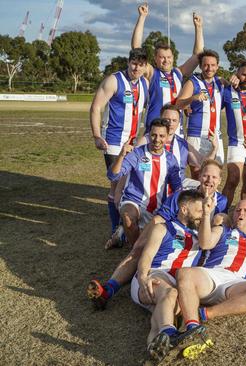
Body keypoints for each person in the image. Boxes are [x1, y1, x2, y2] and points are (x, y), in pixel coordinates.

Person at [87, 160, 227, 310]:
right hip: (171, 232)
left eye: (214, 177)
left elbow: (216, 229)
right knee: (139, 249)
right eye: (206, 175)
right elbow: (161, 217)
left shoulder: (221, 202)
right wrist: (148, 237)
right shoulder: (183, 194)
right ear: (199, 176)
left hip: (194, 243)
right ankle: (108, 289)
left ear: (219, 181)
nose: (209, 180)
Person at [172, 199, 246, 358]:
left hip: (236, 282)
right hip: (213, 275)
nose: (240, 213)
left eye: (245, 211)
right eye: (238, 210)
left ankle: (205, 314)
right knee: (185, 273)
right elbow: (205, 243)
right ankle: (192, 328)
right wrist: (207, 214)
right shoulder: (223, 230)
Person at [130, 189, 204, 362]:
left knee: (168, 307)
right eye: (199, 211)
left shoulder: (201, 237)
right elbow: (146, 256)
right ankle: (170, 332)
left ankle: (154, 350)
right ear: (184, 209)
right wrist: (143, 278)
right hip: (154, 276)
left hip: (175, 286)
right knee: (171, 294)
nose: (202, 215)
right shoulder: (163, 228)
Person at [90, 47, 149, 237]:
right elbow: (96, 107)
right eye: (134, 63)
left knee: (129, 183)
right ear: (128, 62)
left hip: (133, 143)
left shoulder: (144, 84)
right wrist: (97, 136)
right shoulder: (114, 80)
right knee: (116, 184)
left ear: (145, 66)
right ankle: (116, 228)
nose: (136, 68)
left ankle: (124, 225)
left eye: (140, 65)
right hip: (114, 141)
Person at [130, 3, 203, 134]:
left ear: (173, 57)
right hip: (155, 130)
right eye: (162, 57)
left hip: (176, 131)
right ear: (155, 59)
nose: (166, 60)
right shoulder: (152, 72)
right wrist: (142, 17)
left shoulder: (178, 72)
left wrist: (198, 28)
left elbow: (198, 56)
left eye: (168, 57)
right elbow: (136, 49)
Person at [107, 118, 182, 246]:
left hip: (158, 207)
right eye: (153, 135)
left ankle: (122, 234)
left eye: (161, 136)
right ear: (148, 135)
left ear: (167, 137)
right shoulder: (137, 154)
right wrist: (121, 155)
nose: (157, 139)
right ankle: (134, 252)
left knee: (152, 239)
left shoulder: (170, 160)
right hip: (134, 201)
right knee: (128, 217)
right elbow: (113, 176)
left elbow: (177, 188)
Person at [176, 49, 225, 172]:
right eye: (206, 65)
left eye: (213, 65)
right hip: (196, 135)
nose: (209, 68)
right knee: (198, 174)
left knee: (214, 173)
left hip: (215, 136)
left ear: (217, 66)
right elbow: (178, 104)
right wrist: (192, 98)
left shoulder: (220, 82)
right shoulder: (193, 83)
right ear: (200, 66)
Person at [222, 61, 246, 207]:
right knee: (233, 178)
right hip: (236, 143)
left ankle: (243, 213)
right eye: (243, 74)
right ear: (237, 73)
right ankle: (222, 213)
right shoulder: (227, 92)